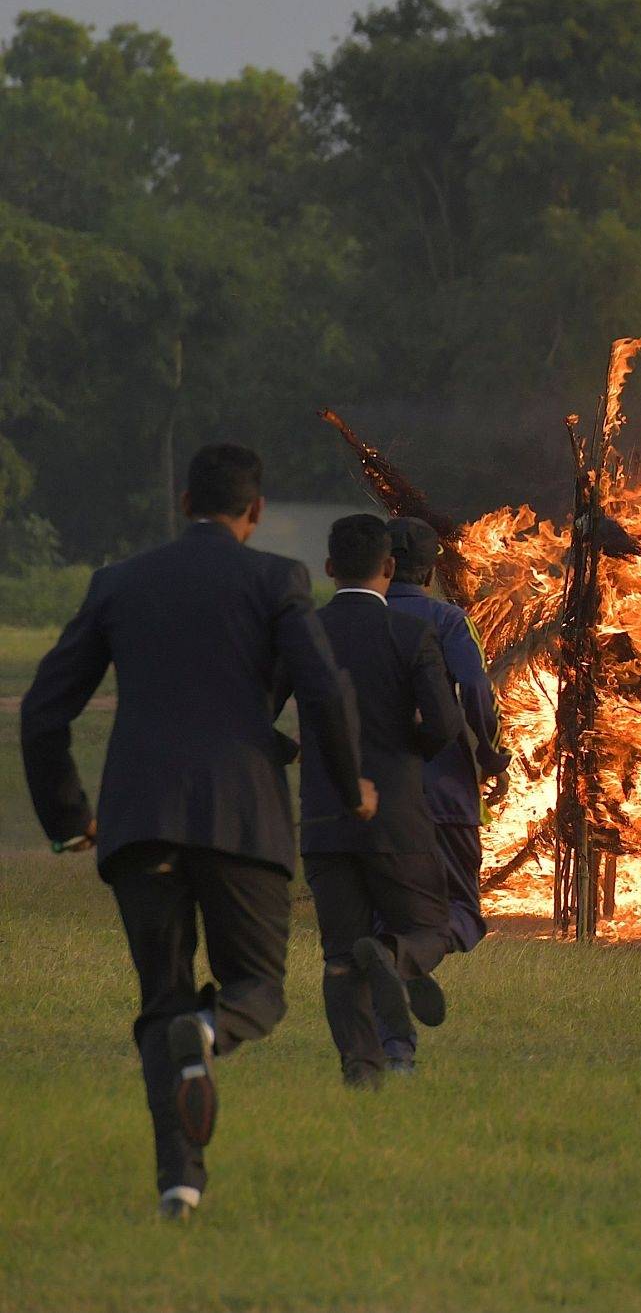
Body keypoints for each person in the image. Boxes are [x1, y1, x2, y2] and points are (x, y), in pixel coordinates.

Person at [18, 444, 366, 1220]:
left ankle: (180, 1184)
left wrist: (70, 818)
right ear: (256, 513)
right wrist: (352, 788)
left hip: (141, 824)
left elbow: (43, 709)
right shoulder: (277, 580)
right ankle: (212, 1030)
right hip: (242, 820)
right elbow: (324, 689)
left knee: (159, 1005)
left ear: (182, 504)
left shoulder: (119, 583)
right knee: (260, 991)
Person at [292, 514, 473, 1088]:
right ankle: (394, 960)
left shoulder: (305, 633)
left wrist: (293, 751)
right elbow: (446, 724)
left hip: (324, 817)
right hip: (397, 813)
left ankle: (362, 1071)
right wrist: (408, 749)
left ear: (328, 568)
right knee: (427, 925)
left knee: (339, 955)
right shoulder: (411, 635)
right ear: (389, 569)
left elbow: (252, 707)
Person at [384, 517, 508, 968]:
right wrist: (493, 758)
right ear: (431, 572)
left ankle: (390, 970)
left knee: (384, 912)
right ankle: (404, 960)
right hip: (443, 791)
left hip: (366, 790)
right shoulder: (447, 619)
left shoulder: (353, 617)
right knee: (462, 910)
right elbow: (476, 688)